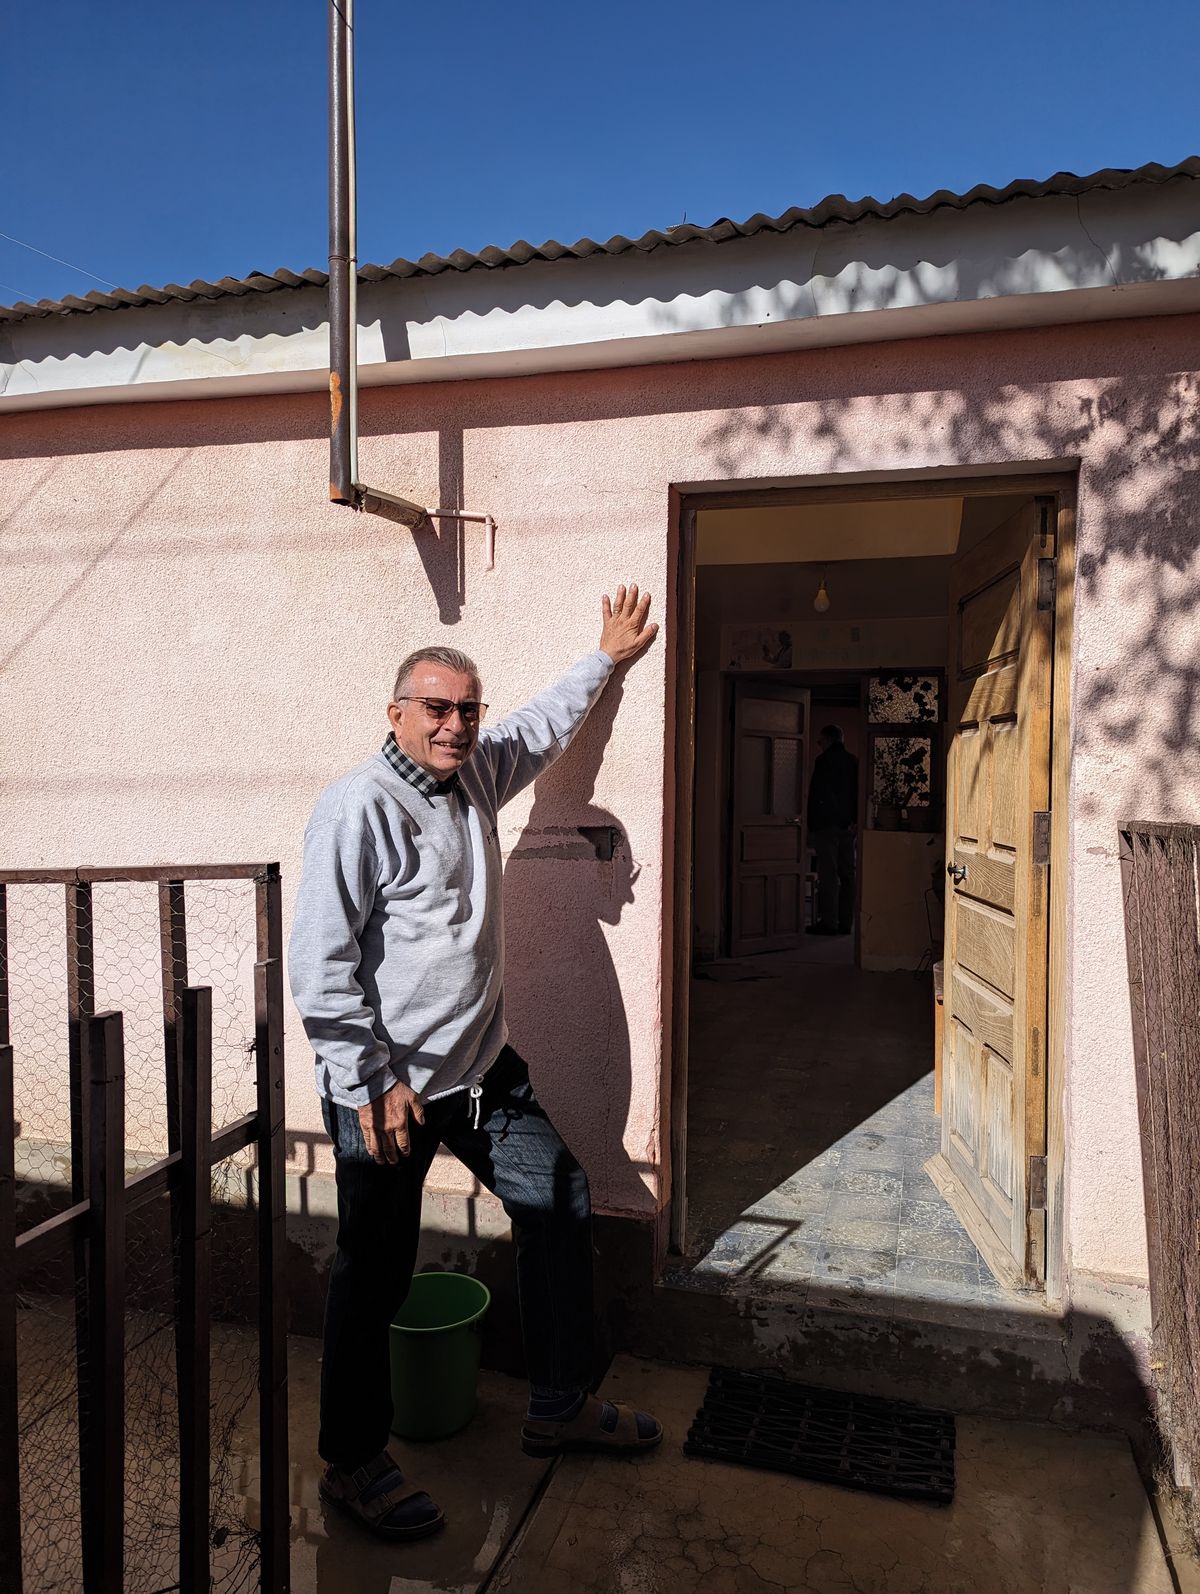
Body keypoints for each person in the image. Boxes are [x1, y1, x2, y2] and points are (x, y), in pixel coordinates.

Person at [287, 585, 662, 1543]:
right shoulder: (356, 809)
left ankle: (558, 1403)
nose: (456, 725)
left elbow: (541, 726)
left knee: (560, 1201)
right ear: (397, 714)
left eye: (466, 710)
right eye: (436, 709)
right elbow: (323, 969)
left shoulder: (478, 777)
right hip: (390, 1091)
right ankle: (353, 1464)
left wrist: (607, 657)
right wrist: (370, 1081)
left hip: (481, 1072)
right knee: (373, 1272)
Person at [806, 723, 859, 936]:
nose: (819, 745)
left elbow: (818, 794)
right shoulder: (853, 761)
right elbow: (856, 793)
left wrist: (812, 826)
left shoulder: (823, 761)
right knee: (848, 875)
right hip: (847, 826)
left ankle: (829, 922)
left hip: (826, 825)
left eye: (820, 741)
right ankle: (846, 922)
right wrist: (853, 819)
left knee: (828, 875)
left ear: (828, 740)